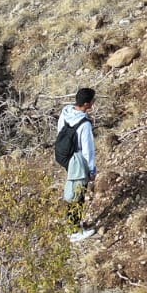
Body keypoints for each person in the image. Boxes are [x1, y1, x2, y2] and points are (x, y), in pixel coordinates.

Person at [56, 89, 97, 242]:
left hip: (64, 156)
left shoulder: (65, 112)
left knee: (73, 189)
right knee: (78, 194)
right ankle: (74, 231)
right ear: (86, 104)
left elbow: (60, 131)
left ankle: (73, 226)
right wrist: (91, 170)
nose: (94, 102)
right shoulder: (84, 124)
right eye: (93, 100)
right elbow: (88, 150)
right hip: (77, 160)